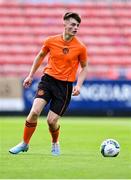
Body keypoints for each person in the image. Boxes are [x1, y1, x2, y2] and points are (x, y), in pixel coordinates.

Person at [9, 12, 88, 155]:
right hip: (48, 80)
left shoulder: (80, 47)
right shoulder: (51, 41)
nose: (76, 28)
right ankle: (24, 143)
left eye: (77, 25)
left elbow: (84, 67)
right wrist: (30, 75)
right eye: (73, 24)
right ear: (64, 23)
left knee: (51, 121)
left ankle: (55, 142)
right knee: (34, 112)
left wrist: (79, 85)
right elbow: (40, 56)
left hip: (64, 87)